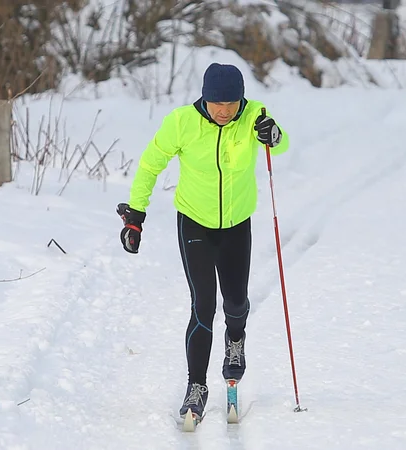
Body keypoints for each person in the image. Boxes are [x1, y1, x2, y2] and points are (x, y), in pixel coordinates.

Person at [116, 62, 290, 419]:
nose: (224, 111)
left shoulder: (255, 114)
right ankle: (197, 385)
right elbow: (150, 164)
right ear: (204, 99)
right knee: (203, 305)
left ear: (241, 100)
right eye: (216, 104)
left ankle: (236, 341)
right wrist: (136, 215)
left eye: (231, 104)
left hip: (236, 224)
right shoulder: (182, 122)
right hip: (194, 222)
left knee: (237, 302)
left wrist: (272, 135)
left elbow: (280, 143)